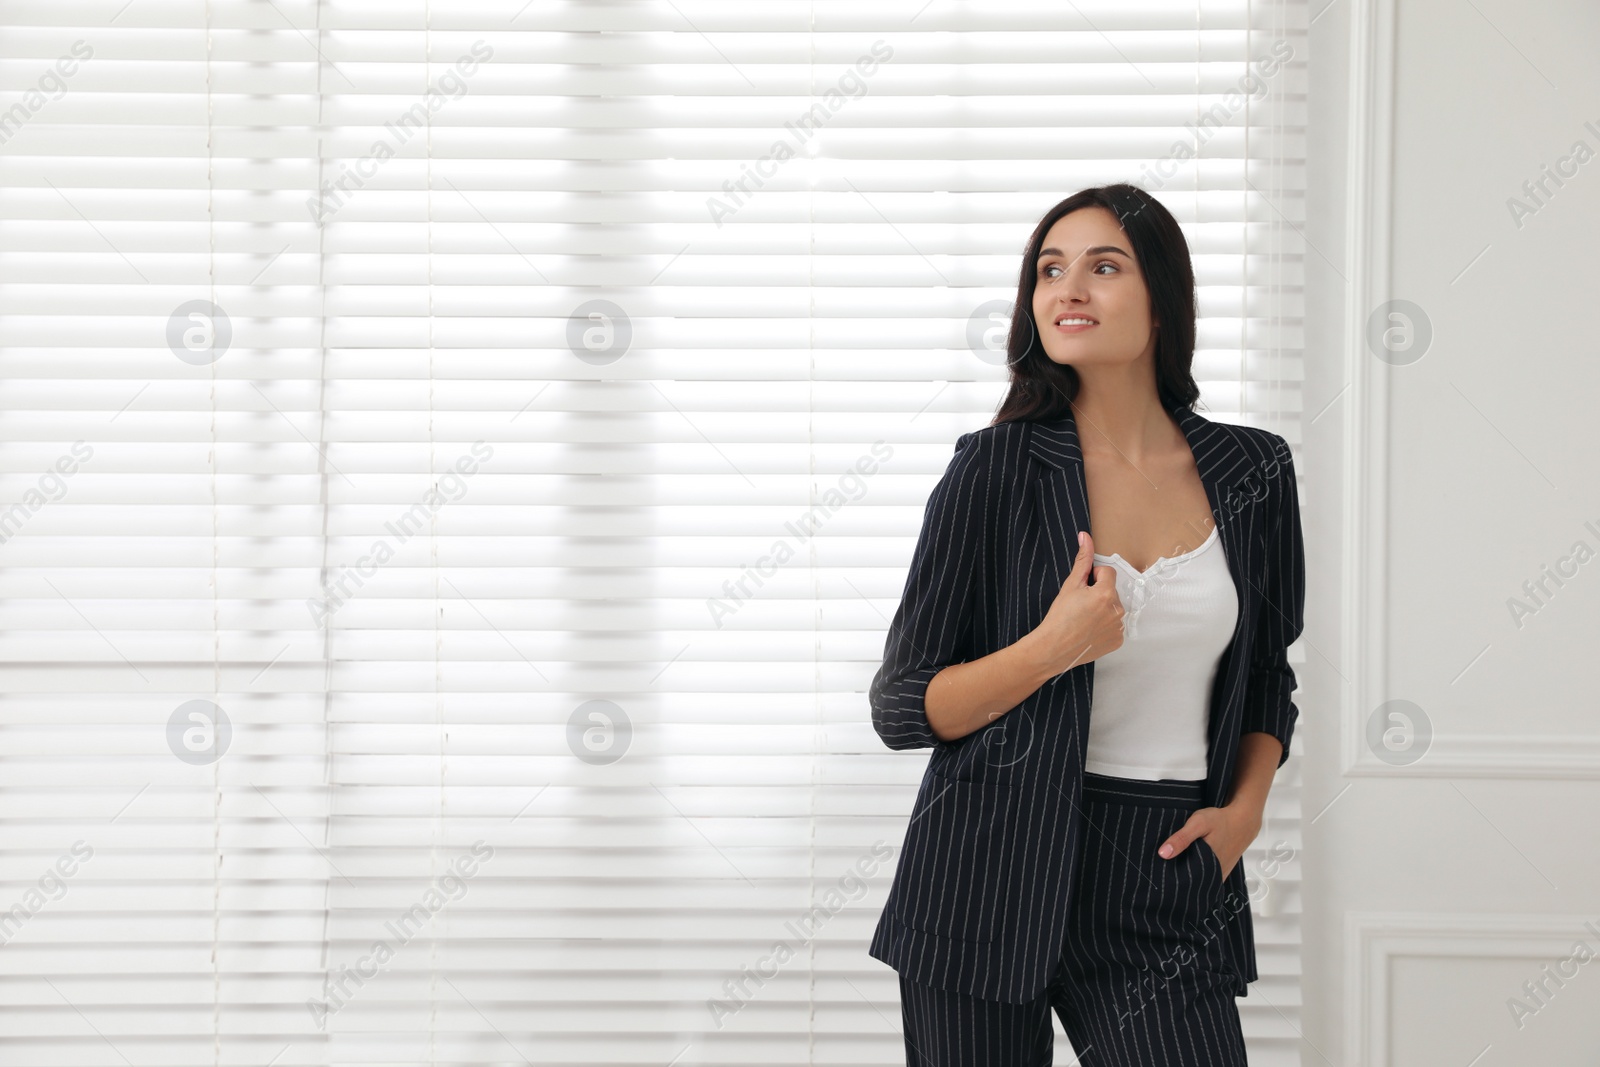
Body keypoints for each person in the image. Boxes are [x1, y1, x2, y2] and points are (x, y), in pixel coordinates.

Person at [866, 183, 1306, 1066]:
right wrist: (1049, 649)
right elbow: (903, 705)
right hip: (983, 871)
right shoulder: (994, 468)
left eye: (1104, 266)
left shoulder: (1252, 468)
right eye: (1049, 269)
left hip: (1166, 864)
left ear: (1163, 298)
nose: (1068, 289)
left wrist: (1246, 812)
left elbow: (1266, 672)